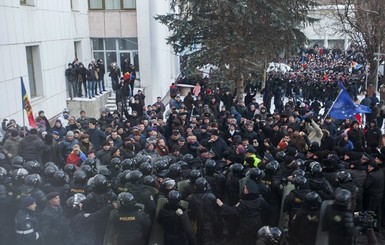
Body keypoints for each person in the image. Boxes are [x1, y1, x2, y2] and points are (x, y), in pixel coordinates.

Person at [216, 178, 268, 245]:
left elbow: (233, 210)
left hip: (246, 224)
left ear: (249, 191)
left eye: (246, 188)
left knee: (245, 240)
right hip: (257, 222)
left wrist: (222, 205)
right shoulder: (260, 199)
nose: (244, 189)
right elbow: (266, 207)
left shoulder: (243, 203)